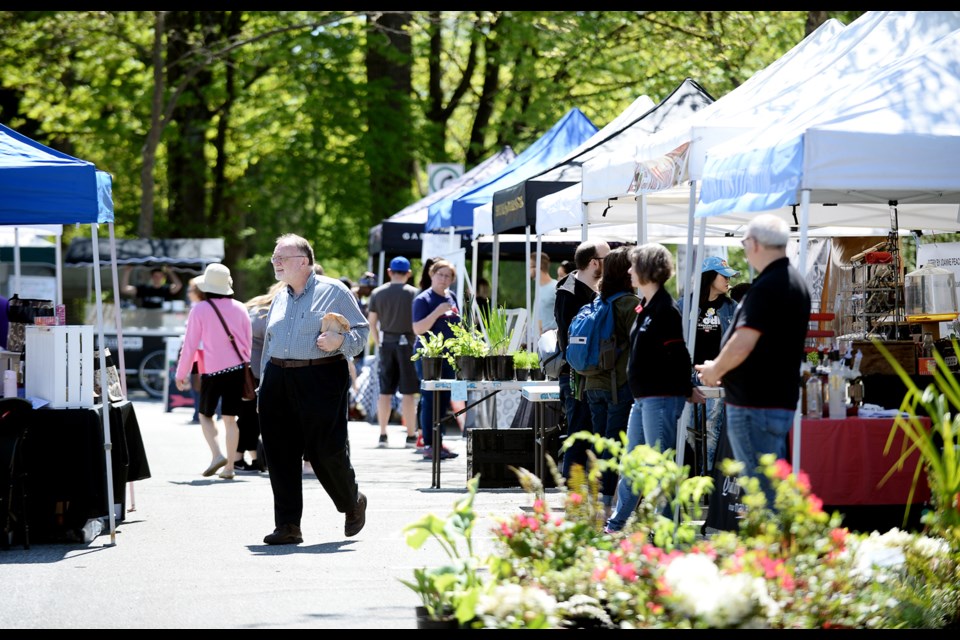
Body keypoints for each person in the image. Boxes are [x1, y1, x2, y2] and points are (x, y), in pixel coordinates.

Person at [258, 233, 370, 545]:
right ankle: (288, 525)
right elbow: (270, 343)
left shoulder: (334, 290)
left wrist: (341, 342)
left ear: (304, 262)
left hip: (320, 377)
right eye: (274, 258)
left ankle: (352, 502)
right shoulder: (280, 296)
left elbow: (363, 332)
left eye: (283, 257)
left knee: (325, 451)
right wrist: (263, 385)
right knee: (279, 453)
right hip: (278, 377)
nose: (276, 262)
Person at [695, 214, 811, 507]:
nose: (745, 249)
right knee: (770, 486)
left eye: (746, 243)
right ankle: (778, 546)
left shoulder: (769, 286)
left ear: (756, 244)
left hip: (754, 405)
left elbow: (744, 341)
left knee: (762, 493)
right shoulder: (793, 282)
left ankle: (775, 549)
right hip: (774, 401)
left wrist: (714, 369)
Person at [605, 243, 704, 533]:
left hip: (660, 398)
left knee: (659, 466)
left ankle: (667, 529)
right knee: (632, 464)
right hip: (644, 399)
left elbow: (678, 352)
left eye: (633, 265)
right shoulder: (646, 306)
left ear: (647, 270)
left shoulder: (665, 309)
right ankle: (618, 521)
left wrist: (686, 388)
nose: (628, 270)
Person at [174, 263, 252, 481]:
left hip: (212, 370)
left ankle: (216, 454)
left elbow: (189, 345)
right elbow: (246, 343)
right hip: (237, 369)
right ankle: (229, 467)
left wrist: (181, 374)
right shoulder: (240, 307)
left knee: (205, 415)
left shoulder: (199, 309)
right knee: (230, 419)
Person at [581, 246, 639, 515]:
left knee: (599, 441)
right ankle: (606, 502)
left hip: (592, 383)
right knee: (614, 445)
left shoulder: (596, 301)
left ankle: (596, 496)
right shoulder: (629, 303)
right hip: (619, 386)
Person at [554, 240, 609, 479]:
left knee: (588, 434)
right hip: (576, 376)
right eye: (608, 259)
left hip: (593, 376)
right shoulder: (568, 293)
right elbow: (571, 342)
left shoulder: (596, 291)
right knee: (578, 433)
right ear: (594, 262)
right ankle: (571, 494)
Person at [681, 256, 739, 474]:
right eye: (723, 275)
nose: (728, 280)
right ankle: (693, 475)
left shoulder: (731, 308)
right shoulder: (685, 304)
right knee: (688, 430)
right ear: (709, 277)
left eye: (729, 276)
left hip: (717, 376)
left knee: (712, 428)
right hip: (688, 376)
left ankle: (707, 478)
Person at [412, 257, 464, 460]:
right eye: (440, 274)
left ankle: (438, 442)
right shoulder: (423, 299)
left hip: (450, 357)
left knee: (443, 400)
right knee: (429, 399)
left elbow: (457, 325)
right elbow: (418, 329)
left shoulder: (451, 296)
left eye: (448, 276)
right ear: (432, 275)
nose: (443, 279)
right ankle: (429, 444)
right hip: (429, 358)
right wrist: (437, 313)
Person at [367, 256, 419, 449]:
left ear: (389, 272)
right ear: (409, 273)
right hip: (408, 345)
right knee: (408, 393)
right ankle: (411, 436)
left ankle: (382, 434)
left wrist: (379, 342)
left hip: (387, 343)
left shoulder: (377, 293)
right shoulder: (415, 293)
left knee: (385, 392)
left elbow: (372, 322)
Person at [235, 280, 286, 473]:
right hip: (258, 373)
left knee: (248, 417)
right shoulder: (269, 315)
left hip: (244, 369)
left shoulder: (255, 308)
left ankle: (245, 459)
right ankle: (240, 459)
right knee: (252, 419)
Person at [530, 252, 557, 334]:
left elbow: (563, 316)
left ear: (537, 267)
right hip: (535, 342)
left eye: (529, 267)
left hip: (549, 342)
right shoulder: (538, 288)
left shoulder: (556, 288)